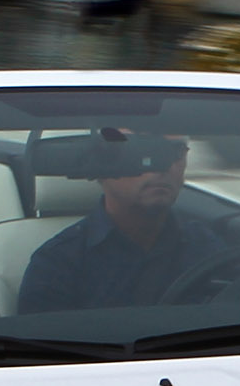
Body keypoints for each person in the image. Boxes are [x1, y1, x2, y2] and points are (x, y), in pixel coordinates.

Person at [14, 132, 225, 315]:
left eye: (176, 151)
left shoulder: (207, 247)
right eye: (140, 150)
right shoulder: (58, 264)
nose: (163, 165)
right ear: (101, 165)